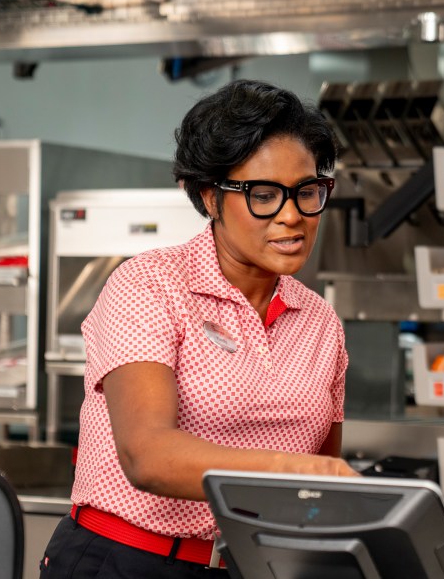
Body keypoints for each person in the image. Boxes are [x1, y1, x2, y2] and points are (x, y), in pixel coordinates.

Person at [39, 79, 357, 578]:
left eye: (307, 192)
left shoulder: (320, 322)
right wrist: (299, 471)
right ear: (210, 197)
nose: (292, 216)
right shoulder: (150, 285)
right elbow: (148, 456)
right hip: (126, 563)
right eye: (264, 195)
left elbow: (316, 494)